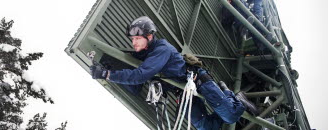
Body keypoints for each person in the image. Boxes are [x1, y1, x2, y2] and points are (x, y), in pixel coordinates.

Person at [89, 16, 259, 130]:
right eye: (132, 39)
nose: (133, 42)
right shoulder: (144, 55)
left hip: (199, 82)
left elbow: (139, 75)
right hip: (183, 93)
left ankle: (234, 97)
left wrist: (107, 75)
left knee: (230, 116)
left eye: (137, 38)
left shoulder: (162, 49)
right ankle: (227, 102)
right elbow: (134, 86)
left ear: (149, 36)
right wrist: (110, 68)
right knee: (205, 126)